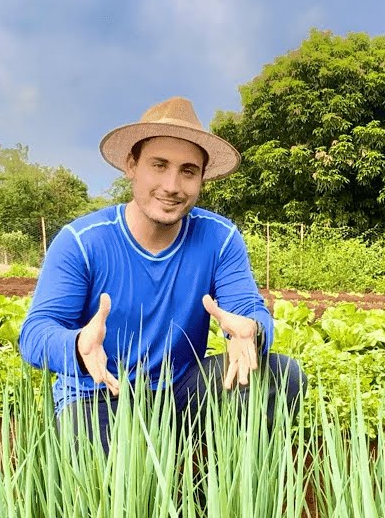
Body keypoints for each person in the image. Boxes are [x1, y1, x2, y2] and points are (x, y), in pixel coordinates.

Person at [18, 97, 305, 448]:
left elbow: (248, 312)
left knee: (280, 376)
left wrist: (253, 333)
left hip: (180, 390)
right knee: (111, 486)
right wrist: (78, 346)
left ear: (201, 178)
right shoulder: (81, 242)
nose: (172, 185)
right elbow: (35, 333)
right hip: (100, 394)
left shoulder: (219, 238)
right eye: (159, 165)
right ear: (131, 165)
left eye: (188, 171)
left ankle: (213, 495)